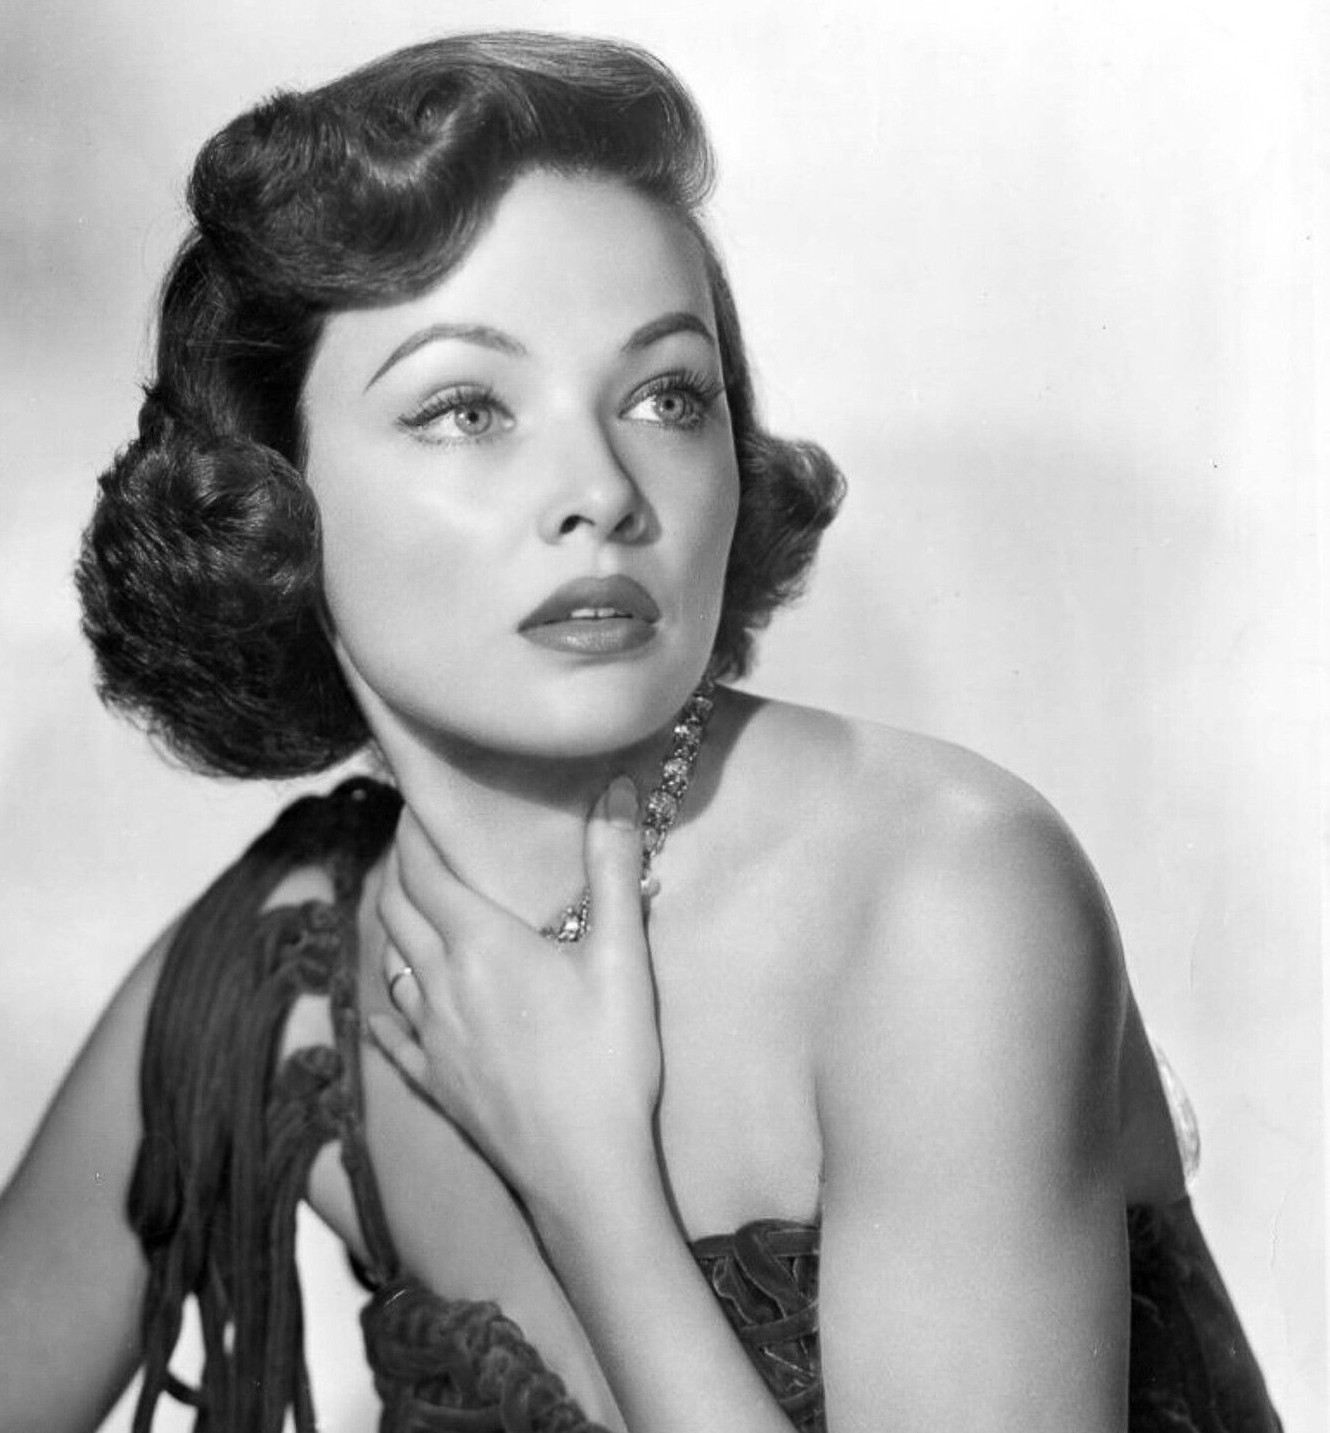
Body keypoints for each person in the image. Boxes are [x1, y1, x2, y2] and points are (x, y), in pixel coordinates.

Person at [0, 30, 1283, 1433]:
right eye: (466, 408)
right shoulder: (284, 978)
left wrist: (590, 1186)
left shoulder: (939, 893)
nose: (604, 490)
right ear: (266, 494)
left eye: (667, 395)